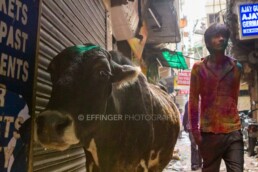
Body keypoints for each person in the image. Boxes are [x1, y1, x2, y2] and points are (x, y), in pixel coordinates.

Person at [188, 23, 243, 172]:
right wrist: (195, 131)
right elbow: (193, 101)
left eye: (224, 36)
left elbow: (234, 97)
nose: (221, 39)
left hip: (233, 131)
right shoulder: (198, 69)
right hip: (209, 134)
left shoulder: (236, 67)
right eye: (216, 36)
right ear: (207, 42)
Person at [183, 101, 202, 171]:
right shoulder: (188, 103)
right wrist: (184, 125)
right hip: (192, 128)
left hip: (202, 128)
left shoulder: (204, 101)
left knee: (200, 146)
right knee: (194, 145)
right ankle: (195, 164)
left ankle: (199, 163)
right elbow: (185, 115)